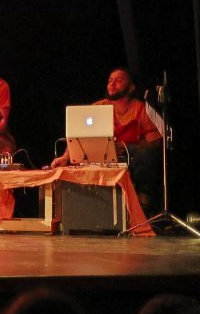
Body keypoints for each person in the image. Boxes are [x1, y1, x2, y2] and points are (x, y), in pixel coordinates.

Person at [48, 67, 161, 211]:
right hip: (103, 159)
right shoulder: (98, 107)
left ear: (131, 88)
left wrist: (126, 148)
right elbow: (79, 136)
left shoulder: (141, 109)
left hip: (131, 159)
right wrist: (65, 157)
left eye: (119, 81)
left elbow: (155, 144)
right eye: (110, 81)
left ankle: (143, 202)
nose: (112, 84)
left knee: (147, 156)